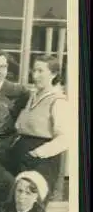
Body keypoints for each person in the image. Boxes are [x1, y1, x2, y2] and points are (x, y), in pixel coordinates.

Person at [7, 55, 69, 200]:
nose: (35, 76)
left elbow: (65, 138)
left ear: (53, 74)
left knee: (33, 202)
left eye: (41, 71)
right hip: (22, 154)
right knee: (14, 201)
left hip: (42, 161)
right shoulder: (32, 97)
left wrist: (37, 153)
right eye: (34, 70)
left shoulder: (58, 101)